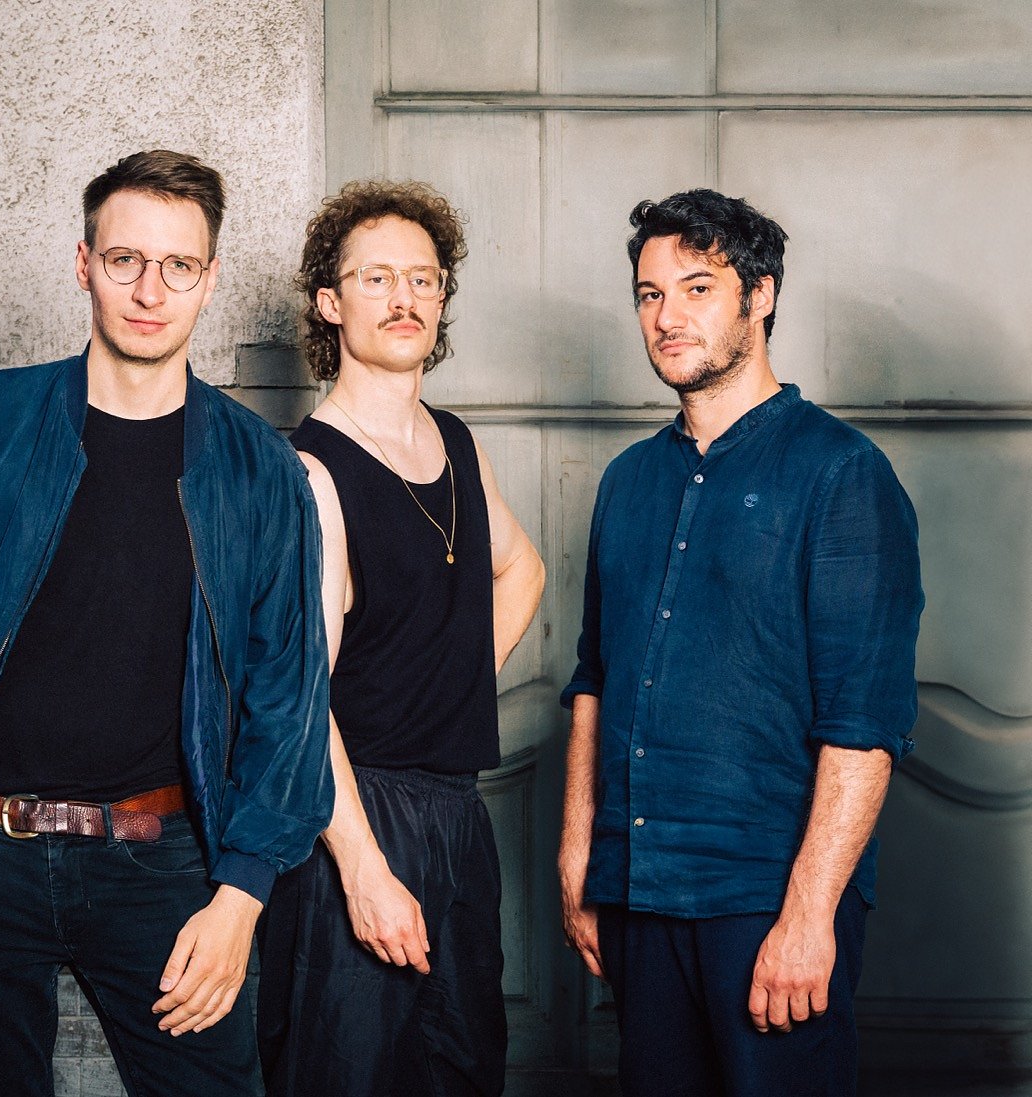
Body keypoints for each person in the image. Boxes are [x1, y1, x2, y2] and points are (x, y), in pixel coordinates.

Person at [0, 149, 333, 1097]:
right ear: (83, 264)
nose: (150, 291)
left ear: (210, 278)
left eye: (178, 265)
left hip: (161, 859)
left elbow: (288, 705)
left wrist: (239, 898)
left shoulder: (259, 471)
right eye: (125, 260)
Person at [558, 188, 924, 1096]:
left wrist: (810, 912)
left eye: (697, 288)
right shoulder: (627, 480)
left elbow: (864, 723)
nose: (667, 316)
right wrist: (579, 855)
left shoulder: (842, 473)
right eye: (650, 294)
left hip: (767, 898)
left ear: (760, 295)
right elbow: (594, 678)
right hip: (638, 889)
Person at [256, 180, 545, 1096]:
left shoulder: (455, 441)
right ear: (330, 303)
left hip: (456, 814)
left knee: (462, 1070)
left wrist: (446, 686)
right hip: (356, 815)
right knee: (345, 1075)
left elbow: (523, 570)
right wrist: (364, 870)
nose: (404, 297)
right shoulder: (312, 471)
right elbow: (300, 701)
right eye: (376, 278)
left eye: (423, 278)